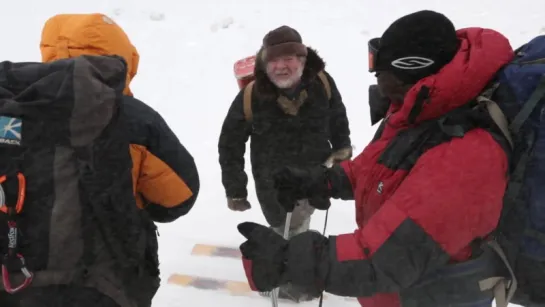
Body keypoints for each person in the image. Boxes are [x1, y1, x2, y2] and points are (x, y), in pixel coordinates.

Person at [237, 10, 517, 307]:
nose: (374, 79)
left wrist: (288, 260)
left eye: (379, 71)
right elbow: (376, 169)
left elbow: (384, 259)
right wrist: (324, 181)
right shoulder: (420, 114)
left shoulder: (465, 155)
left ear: (410, 70)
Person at [0, 13, 200, 307]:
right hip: (104, 286)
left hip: (14, 283)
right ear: (121, 54)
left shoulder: (10, 111)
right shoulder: (132, 117)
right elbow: (178, 198)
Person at [218, 25, 352, 301]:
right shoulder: (250, 96)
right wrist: (235, 189)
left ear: (302, 60)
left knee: (301, 224)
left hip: (315, 174)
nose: (281, 67)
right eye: (274, 60)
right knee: (285, 229)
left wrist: (341, 150)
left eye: (288, 59)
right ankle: (289, 280)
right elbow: (230, 144)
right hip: (273, 183)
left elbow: (337, 115)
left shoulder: (322, 83)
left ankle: (295, 269)